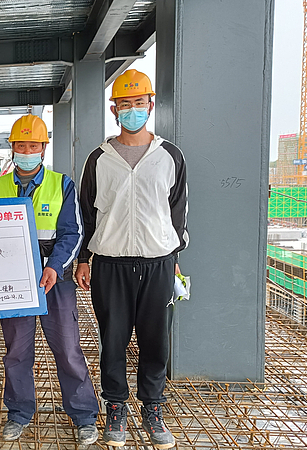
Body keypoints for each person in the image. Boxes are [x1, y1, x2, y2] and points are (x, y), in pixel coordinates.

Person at [74, 69, 188, 450]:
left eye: (139, 103)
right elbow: (87, 213)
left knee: (156, 341)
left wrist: (173, 255)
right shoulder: (99, 159)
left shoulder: (170, 156)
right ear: (114, 110)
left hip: (158, 263)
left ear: (151, 105)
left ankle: (153, 407)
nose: (133, 110)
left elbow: (177, 213)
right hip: (111, 264)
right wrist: (84, 258)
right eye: (125, 104)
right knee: (113, 340)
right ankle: (116, 407)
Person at [0, 114, 99, 444]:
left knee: (67, 349)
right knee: (16, 351)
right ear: (12, 148)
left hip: (56, 281)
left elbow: (72, 232)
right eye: (20, 145)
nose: (26, 151)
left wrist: (54, 266)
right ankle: (19, 412)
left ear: (43, 149)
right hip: (15, 284)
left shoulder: (62, 184)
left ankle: (83, 415)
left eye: (33, 146)